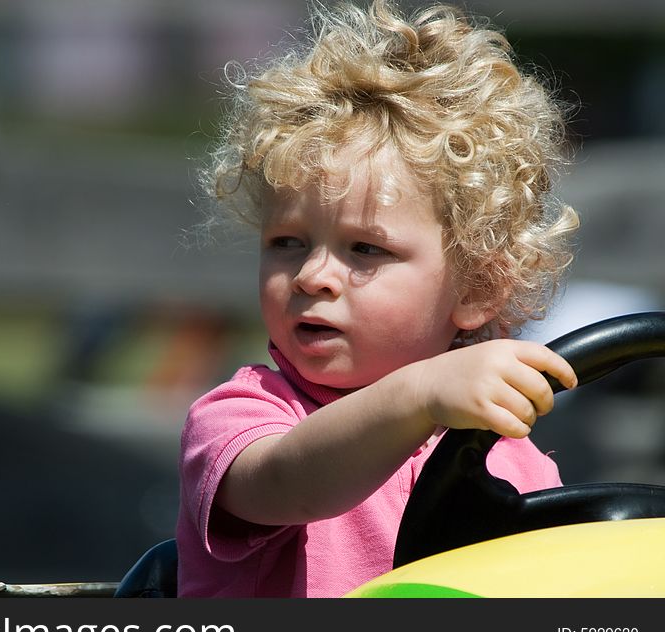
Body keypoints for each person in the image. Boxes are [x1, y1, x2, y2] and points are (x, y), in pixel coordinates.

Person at [176, 0, 581, 597]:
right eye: (287, 242)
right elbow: (289, 482)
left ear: (478, 289)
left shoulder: (513, 460)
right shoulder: (243, 416)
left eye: (364, 250)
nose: (313, 275)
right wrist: (419, 396)